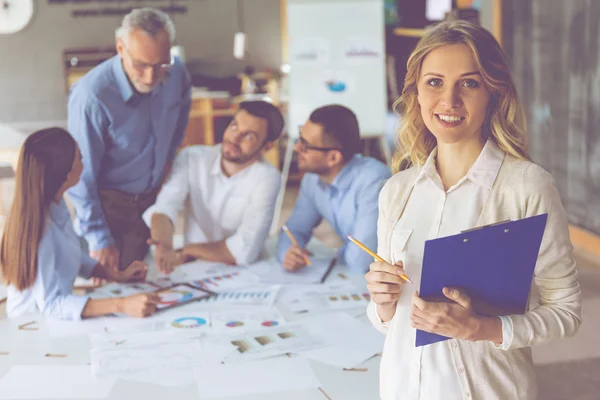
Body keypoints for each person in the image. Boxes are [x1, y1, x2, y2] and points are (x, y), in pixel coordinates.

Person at [365, 20, 582, 400]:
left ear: (493, 94)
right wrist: (382, 303)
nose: (449, 101)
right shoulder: (396, 191)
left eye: (469, 83)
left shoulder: (527, 187)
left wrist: (481, 328)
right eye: (434, 82)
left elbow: (565, 313)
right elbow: (390, 324)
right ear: (415, 91)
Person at [66, 8, 192, 271]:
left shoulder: (177, 72)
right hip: (107, 208)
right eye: (141, 65)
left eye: (159, 65)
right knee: (104, 284)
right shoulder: (92, 97)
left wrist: (168, 158)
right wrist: (98, 237)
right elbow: (80, 176)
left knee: (142, 278)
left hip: (149, 202)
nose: (151, 77)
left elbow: (180, 118)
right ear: (120, 48)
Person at [1, 128, 159, 320]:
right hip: (33, 328)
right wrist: (122, 304)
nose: (84, 161)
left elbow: (71, 255)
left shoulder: (56, 204)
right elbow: (51, 305)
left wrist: (116, 275)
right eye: (79, 158)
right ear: (65, 174)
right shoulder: (39, 231)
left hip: (55, 319)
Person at [144, 101, 284, 274]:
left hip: (242, 271)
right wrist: (163, 245)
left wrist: (186, 250)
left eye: (249, 136)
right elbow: (165, 207)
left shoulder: (268, 177)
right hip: (191, 266)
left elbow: (246, 249)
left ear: (266, 147)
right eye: (234, 126)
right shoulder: (192, 157)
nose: (235, 138)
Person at [276, 105, 391, 273]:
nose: (296, 148)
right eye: (299, 139)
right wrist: (287, 252)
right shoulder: (312, 179)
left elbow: (361, 260)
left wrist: (339, 254)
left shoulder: (374, 180)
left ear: (333, 157)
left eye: (305, 145)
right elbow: (294, 229)